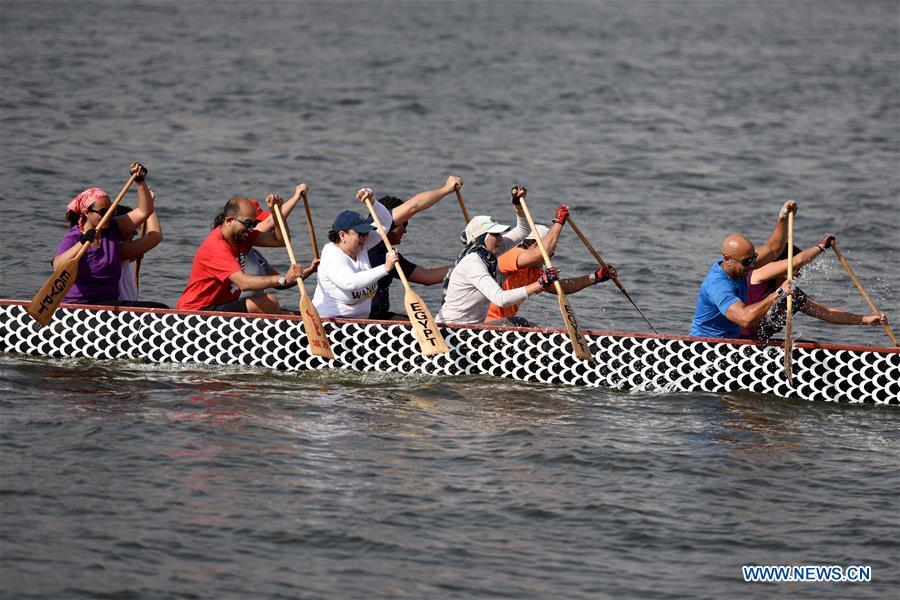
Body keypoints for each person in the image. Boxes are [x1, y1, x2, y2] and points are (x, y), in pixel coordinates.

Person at [436, 186, 559, 325]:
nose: (501, 238)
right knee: (518, 323)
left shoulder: (491, 252)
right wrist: (539, 284)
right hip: (453, 329)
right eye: (495, 234)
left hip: (474, 328)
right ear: (482, 238)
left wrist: (518, 205)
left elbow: (523, 231)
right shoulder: (473, 263)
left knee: (524, 324)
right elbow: (501, 299)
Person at [176, 195, 317, 313]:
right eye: (248, 223)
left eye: (254, 224)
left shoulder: (242, 236)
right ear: (230, 221)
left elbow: (279, 240)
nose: (251, 229)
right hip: (195, 313)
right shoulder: (217, 248)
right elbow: (243, 283)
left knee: (283, 310)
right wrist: (283, 278)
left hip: (220, 306)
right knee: (269, 301)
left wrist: (276, 213)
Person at [484, 205, 617, 326]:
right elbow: (543, 252)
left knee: (534, 326)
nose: (548, 259)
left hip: (502, 324)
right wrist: (558, 222)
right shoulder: (511, 254)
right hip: (483, 325)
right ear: (534, 246)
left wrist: (595, 277)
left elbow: (562, 287)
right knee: (523, 323)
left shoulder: (534, 272)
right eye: (548, 255)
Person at [741, 235, 887, 341]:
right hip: (733, 344)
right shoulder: (757, 275)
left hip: (758, 348)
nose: (799, 273)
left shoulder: (792, 295)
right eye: (798, 269)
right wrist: (821, 246)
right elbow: (798, 261)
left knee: (809, 345)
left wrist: (866, 319)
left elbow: (828, 313)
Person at [689, 200, 797, 339]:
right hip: (705, 346)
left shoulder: (741, 264)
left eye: (753, 259)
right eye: (747, 262)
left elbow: (773, 248)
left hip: (733, 342)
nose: (752, 266)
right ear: (727, 259)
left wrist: (783, 216)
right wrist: (779, 293)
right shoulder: (718, 285)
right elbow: (745, 319)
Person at [52, 163, 155, 306]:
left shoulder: (113, 227)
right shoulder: (74, 237)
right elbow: (58, 266)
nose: (108, 216)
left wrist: (140, 182)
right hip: (79, 305)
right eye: (102, 212)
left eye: (110, 211)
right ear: (87, 213)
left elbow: (145, 211)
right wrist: (82, 242)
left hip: (109, 303)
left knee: (159, 308)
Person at [367, 176, 462, 319]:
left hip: (378, 318)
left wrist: (466, 268)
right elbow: (414, 206)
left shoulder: (388, 254)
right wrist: (446, 189)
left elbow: (427, 277)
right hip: (356, 321)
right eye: (404, 224)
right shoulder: (369, 236)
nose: (405, 231)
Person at [312, 188, 399, 318]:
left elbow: (385, 223)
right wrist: (385, 268)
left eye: (366, 233)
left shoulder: (361, 245)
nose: (365, 237)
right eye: (360, 234)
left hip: (362, 323)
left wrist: (372, 201)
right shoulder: (332, 255)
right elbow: (349, 282)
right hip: (330, 323)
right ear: (342, 235)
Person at [234, 183, 308, 301]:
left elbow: (281, 283)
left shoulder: (256, 254)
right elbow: (269, 222)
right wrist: (296, 197)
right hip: (228, 310)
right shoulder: (230, 244)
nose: (253, 229)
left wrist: (310, 269)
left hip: (255, 308)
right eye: (251, 224)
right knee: (271, 301)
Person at [114, 192, 167, 308]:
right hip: (119, 310)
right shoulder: (115, 249)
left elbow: (132, 255)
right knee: (162, 309)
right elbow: (155, 235)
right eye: (132, 228)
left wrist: (136, 253)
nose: (135, 233)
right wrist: (150, 206)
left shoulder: (117, 251)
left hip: (124, 306)